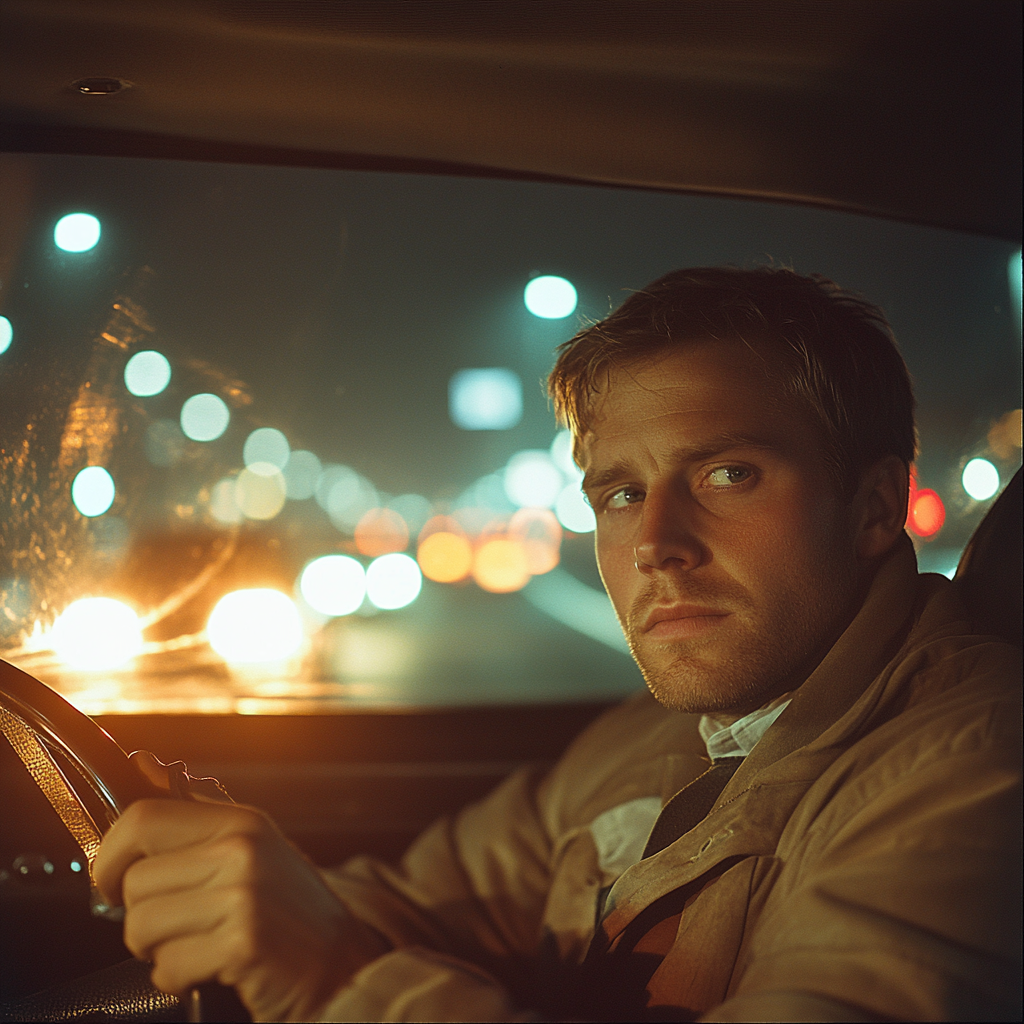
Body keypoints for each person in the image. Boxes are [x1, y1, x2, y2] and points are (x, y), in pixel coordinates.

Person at [94, 267, 1022, 1022]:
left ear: (872, 507)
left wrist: (339, 982)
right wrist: (254, 902)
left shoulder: (973, 771)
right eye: (619, 494)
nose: (656, 541)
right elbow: (425, 901)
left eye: (728, 473)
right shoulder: (652, 736)